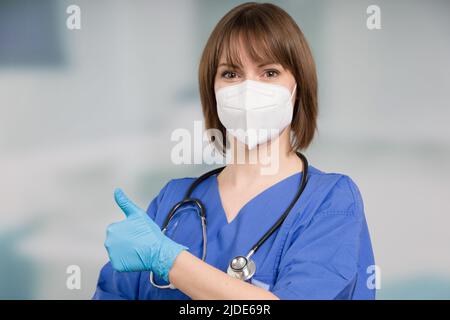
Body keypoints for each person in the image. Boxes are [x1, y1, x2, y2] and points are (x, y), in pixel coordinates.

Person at [93, 2, 375, 300]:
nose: (248, 88)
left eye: (269, 72)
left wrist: (169, 260)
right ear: (212, 91)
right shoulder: (173, 202)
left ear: (298, 88)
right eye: (231, 74)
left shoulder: (330, 201)